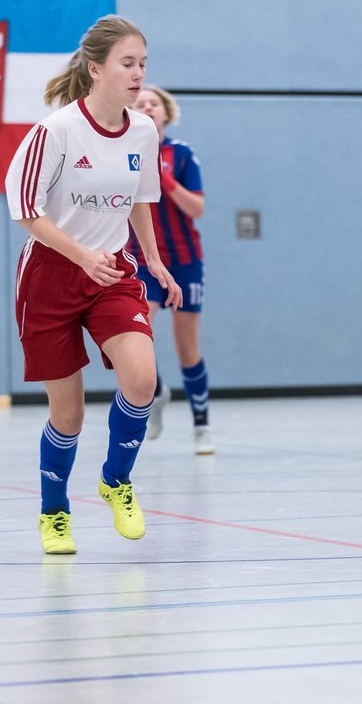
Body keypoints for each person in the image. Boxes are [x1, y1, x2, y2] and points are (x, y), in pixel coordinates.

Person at [4, 15, 182, 555]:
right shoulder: (56, 131)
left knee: (142, 380)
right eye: (127, 64)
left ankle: (116, 480)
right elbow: (25, 211)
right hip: (54, 273)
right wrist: (81, 256)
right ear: (95, 68)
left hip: (113, 272)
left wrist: (153, 261)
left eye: (143, 64)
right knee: (70, 414)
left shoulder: (144, 131)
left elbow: (141, 199)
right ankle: (53, 513)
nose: (138, 74)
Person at [127, 86, 214, 455]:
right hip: (142, 259)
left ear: (166, 113)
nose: (148, 107)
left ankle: (201, 426)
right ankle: (156, 389)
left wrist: (167, 182)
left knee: (187, 348)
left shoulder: (180, 154)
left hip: (183, 259)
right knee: (137, 335)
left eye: (154, 103)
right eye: (140, 103)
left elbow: (197, 208)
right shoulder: (125, 151)